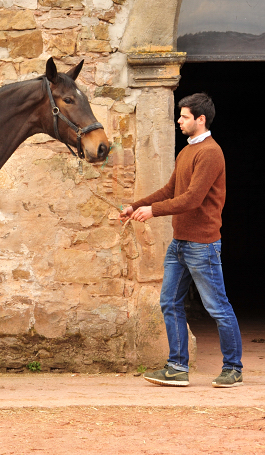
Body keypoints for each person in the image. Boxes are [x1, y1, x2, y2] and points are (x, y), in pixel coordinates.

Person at [120, 93, 243, 388]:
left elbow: (191, 199)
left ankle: (233, 368)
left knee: (217, 307)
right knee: (170, 302)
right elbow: (170, 189)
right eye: (180, 116)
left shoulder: (211, 153)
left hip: (203, 244)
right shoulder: (187, 151)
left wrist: (153, 212)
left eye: (185, 116)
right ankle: (177, 367)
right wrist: (136, 206)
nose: (179, 120)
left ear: (201, 120)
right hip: (180, 243)